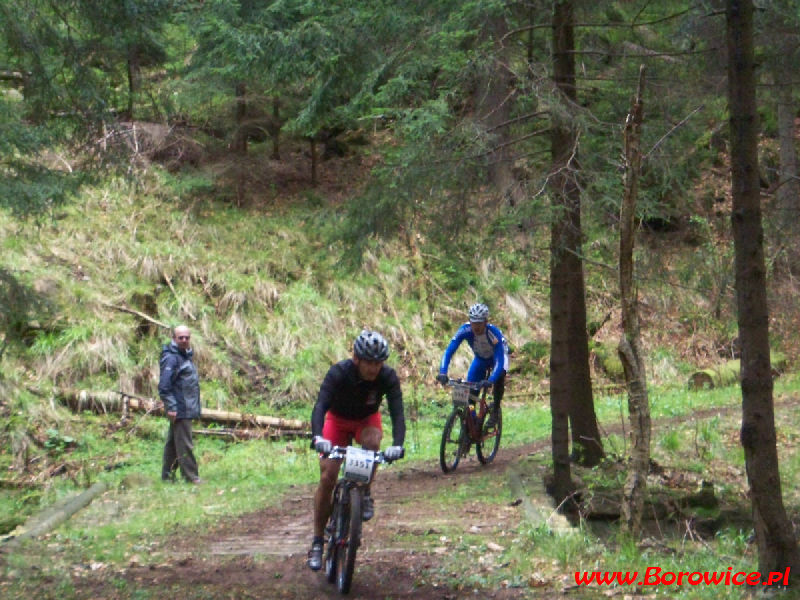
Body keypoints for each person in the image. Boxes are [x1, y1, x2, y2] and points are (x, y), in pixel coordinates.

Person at [307, 330, 405, 571]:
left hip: (366, 420)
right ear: (356, 359)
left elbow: (397, 411)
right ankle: (318, 541)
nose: (374, 369)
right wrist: (318, 437)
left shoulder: (388, 377)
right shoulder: (339, 373)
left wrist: (398, 444)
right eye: (369, 363)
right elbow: (320, 405)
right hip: (337, 420)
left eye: (378, 363)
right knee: (328, 475)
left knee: (373, 443)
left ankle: (364, 492)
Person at [436, 303, 508, 426]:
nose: (476, 327)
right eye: (474, 322)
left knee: (500, 376)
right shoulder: (465, 330)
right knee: (470, 395)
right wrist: (443, 372)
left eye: (479, 323)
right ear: (469, 321)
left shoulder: (493, 333)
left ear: (486, 322)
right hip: (480, 359)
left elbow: (500, 360)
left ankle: (495, 409)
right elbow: (449, 351)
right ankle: (472, 420)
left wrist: (491, 380)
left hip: (498, 358)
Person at [158, 324, 203, 484]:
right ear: (174, 339)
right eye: (180, 337)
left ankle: (167, 476)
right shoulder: (171, 358)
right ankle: (191, 477)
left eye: (187, 337)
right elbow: (164, 386)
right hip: (180, 408)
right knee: (185, 444)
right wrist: (171, 407)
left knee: (173, 444)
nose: (184, 340)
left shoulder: (185, 356)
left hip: (185, 407)